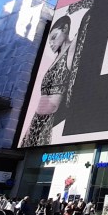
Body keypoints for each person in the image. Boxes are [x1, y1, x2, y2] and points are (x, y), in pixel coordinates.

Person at [23, 16, 74, 146]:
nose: (51, 43)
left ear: (65, 28)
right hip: (35, 124)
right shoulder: (55, 59)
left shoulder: (71, 48)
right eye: (49, 41)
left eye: (54, 37)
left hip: (48, 123)